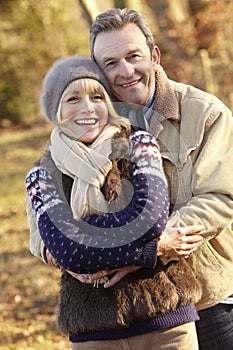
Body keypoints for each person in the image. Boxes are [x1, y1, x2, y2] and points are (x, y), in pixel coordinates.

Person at [26, 55, 203, 350]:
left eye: (97, 96)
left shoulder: (140, 144)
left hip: (166, 321)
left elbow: (149, 221)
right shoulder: (42, 174)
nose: (87, 107)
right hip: (94, 331)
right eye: (73, 99)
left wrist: (83, 231)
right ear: (55, 111)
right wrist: (151, 249)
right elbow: (69, 253)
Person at [86, 7, 233, 350]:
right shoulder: (84, 123)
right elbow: (46, 199)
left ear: (154, 55)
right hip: (127, 311)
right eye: (110, 63)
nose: (125, 71)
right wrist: (55, 250)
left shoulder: (206, 114)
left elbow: (220, 197)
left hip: (206, 300)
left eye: (133, 56)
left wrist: (150, 247)